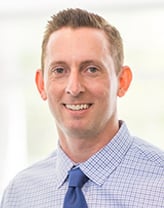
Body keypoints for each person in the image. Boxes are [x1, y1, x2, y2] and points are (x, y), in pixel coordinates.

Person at [1, 8, 164, 208]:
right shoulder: (19, 194)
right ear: (41, 85)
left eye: (91, 69)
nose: (74, 88)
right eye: (59, 70)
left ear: (122, 81)